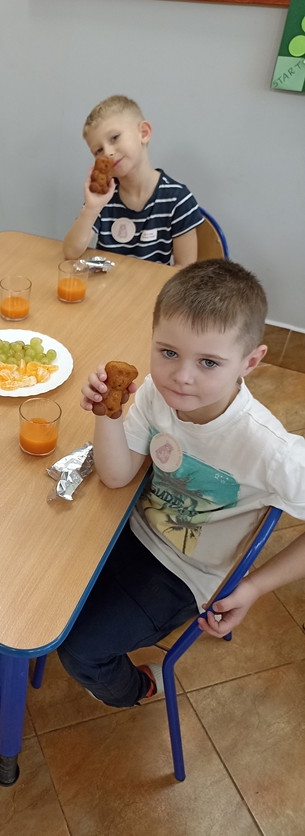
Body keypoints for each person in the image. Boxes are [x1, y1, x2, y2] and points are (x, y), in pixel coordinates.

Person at [57, 259, 305, 707]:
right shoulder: (156, 392)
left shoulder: (272, 451)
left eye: (209, 362)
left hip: (184, 574)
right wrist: (107, 414)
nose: (182, 376)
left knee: (80, 649)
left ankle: (137, 688)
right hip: (126, 529)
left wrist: (252, 587)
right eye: (168, 352)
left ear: (250, 362)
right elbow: (116, 476)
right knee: (42, 589)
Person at [63, 95, 203, 268]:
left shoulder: (178, 200)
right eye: (98, 150)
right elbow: (71, 253)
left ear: (143, 133)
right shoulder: (103, 197)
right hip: (108, 283)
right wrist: (91, 208)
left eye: (115, 137)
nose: (108, 152)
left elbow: (185, 269)